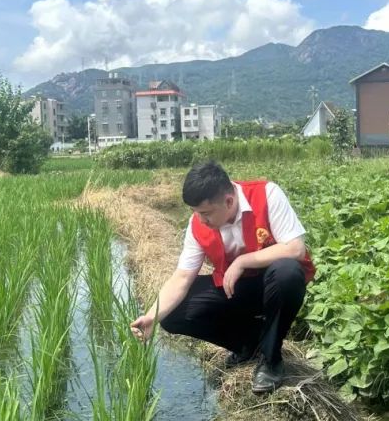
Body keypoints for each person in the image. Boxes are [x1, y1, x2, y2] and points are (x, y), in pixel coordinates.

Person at [130, 160, 315, 394]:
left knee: (288, 271)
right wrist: (151, 316)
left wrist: (242, 261)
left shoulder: (267, 194)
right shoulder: (197, 225)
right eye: (196, 213)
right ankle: (249, 343)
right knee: (173, 315)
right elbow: (182, 277)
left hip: (274, 285)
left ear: (229, 201)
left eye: (206, 213)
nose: (201, 220)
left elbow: (295, 248)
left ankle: (271, 360)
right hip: (234, 289)